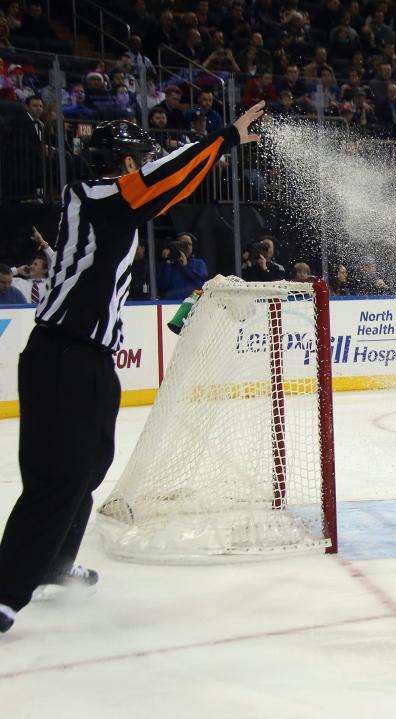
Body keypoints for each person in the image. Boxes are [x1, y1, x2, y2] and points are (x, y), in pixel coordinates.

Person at [0, 102, 266, 634]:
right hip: (64, 357)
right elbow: (168, 180)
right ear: (124, 164)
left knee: (90, 464)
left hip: (85, 360)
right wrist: (224, 140)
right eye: (139, 160)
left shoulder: (109, 205)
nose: (145, 166)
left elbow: (165, 185)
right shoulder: (102, 197)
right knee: (58, 477)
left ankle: (54, 561)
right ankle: (6, 592)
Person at [157, 232, 209, 299]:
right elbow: (162, 286)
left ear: (193, 247)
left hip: (193, 304)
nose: (186, 247)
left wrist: (186, 266)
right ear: (177, 246)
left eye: (189, 244)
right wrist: (168, 261)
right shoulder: (170, 263)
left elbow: (202, 285)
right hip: (171, 305)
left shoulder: (199, 263)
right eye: (182, 244)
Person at [11, 227, 54, 304]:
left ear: (45, 269)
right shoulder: (19, 282)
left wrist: (43, 242)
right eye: (32, 264)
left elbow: (56, 261)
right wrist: (17, 270)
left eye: (35, 264)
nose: (31, 266)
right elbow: (3, 276)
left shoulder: (51, 282)